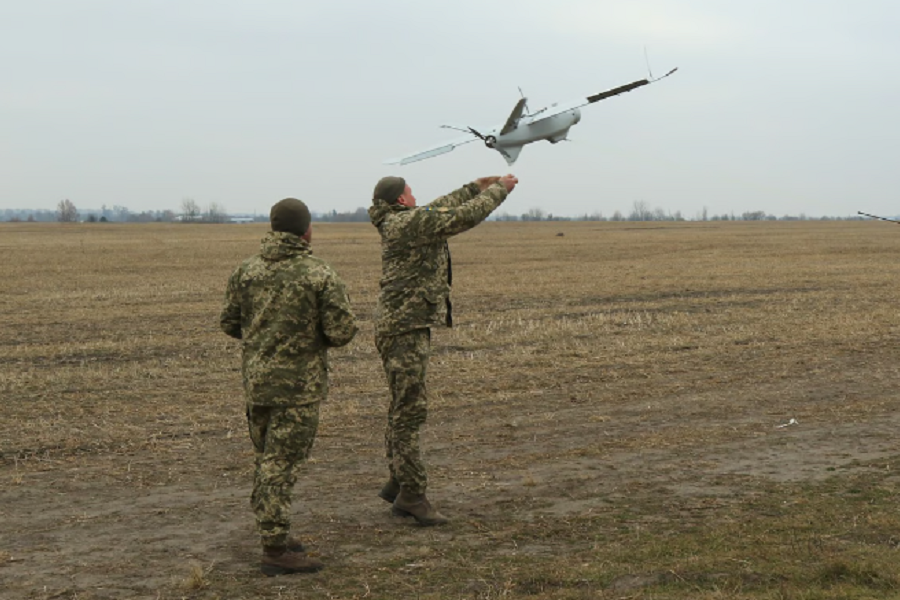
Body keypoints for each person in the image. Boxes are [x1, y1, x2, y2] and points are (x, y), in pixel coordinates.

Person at [368, 174, 519, 526]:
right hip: (404, 328)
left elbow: (440, 207)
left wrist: (474, 186)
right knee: (410, 411)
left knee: (402, 406)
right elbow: (462, 217)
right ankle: (412, 495)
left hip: (403, 325)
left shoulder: (403, 219)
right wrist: (499, 191)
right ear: (401, 201)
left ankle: (400, 480)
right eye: (410, 193)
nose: (416, 197)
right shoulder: (407, 223)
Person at [220, 198, 358, 575]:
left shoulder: (246, 270)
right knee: (281, 465)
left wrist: (264, 337)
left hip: (258, 383)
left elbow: (230, 323)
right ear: (306, 230)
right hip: (298, 388)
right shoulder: (318, 273)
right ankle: (275, 549)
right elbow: (342, 331)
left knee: (267, 461)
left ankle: (274, 529)